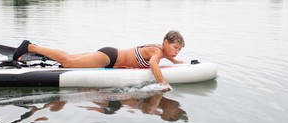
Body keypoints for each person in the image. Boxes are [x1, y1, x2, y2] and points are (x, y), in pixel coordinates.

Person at [13, 30, 186, 91]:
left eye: (179, 49)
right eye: (175, 48)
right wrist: (163, 82)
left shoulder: (160, 49)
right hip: (109, 58)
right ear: (165, 42)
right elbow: (153, 63)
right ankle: (30, 47)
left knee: (70, 57)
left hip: (109, 55)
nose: (176, 52)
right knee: (67, 61)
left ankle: (35, 49)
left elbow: (167, 57)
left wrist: (179, 63)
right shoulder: (157, 51)